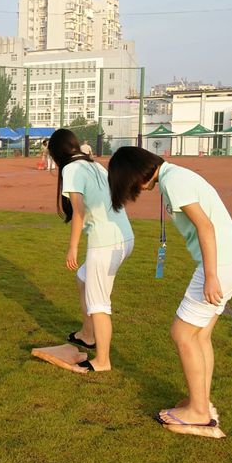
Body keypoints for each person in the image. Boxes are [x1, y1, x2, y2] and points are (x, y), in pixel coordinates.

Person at [108, 147, 232, 430]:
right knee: (200, 336)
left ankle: (198, 412)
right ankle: (200, 402)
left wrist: (210, 275)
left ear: (135, 174)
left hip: (221, 266)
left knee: (182, 333)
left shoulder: (174, 181)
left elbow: (205, 227)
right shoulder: (175, 176)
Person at [48, 129, 134, 373]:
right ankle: (87, 334)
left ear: (56, 154)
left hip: (106, 244)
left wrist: (72, 248)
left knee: (99, 304)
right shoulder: (95, 165)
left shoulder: (71, 169)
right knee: (83, 278)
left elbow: (79, 212)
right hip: (124, 238)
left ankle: (102, 360)